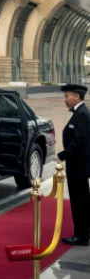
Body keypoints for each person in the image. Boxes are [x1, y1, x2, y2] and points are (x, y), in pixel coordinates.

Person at [56, 83, 90, 246]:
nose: (65, 99)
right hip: (78, 164)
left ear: (76, 96)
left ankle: (82, 236)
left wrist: (62, 155)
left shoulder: (82, 114)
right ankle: (83, 233)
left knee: (79, 201)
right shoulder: (79, 113)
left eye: (67, 96)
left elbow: (79, 139)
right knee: (81, 200)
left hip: (79, 165)